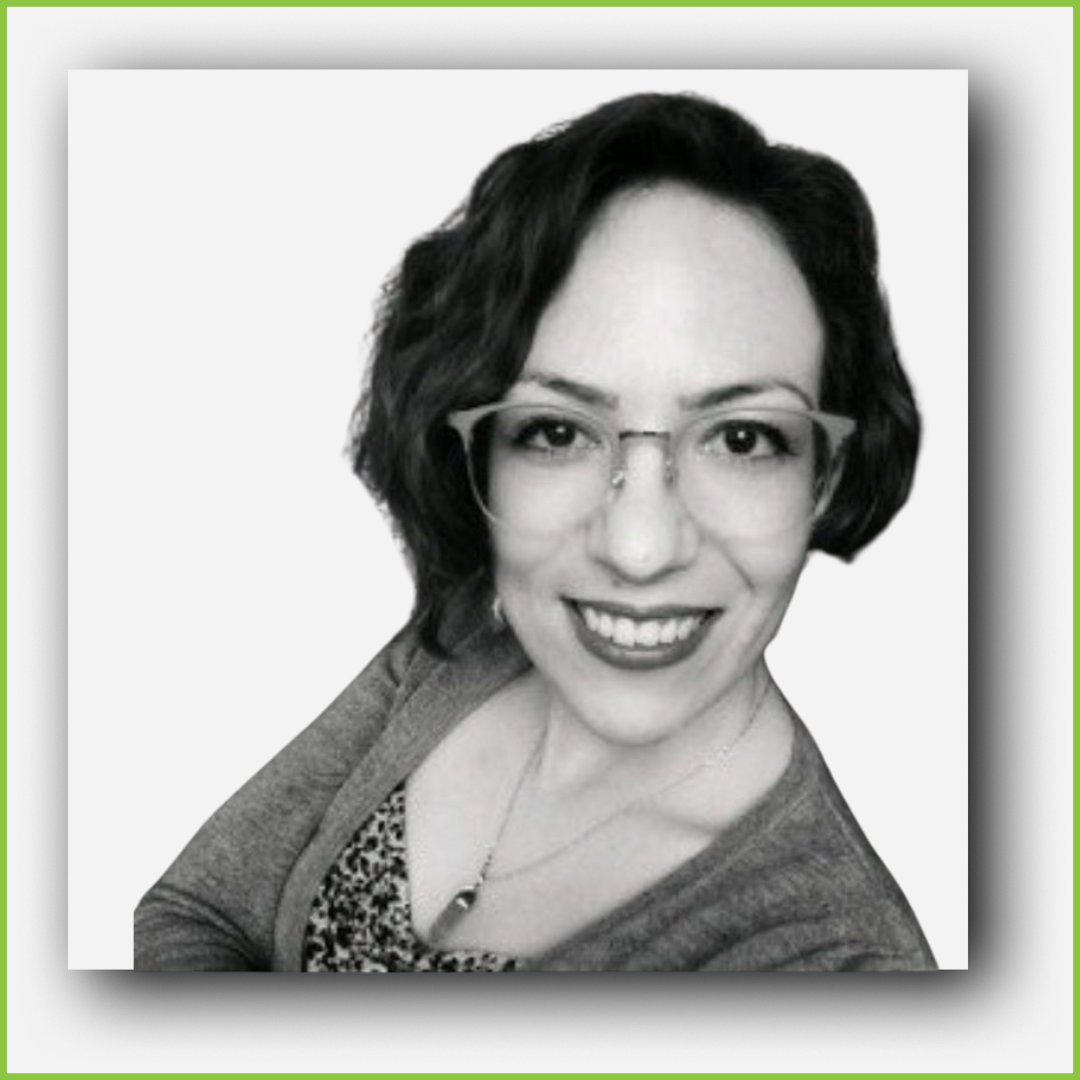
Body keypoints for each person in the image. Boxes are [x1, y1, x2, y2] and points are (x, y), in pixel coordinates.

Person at [135, 92, 936, 972]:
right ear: (475, 454)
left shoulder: (836, 960)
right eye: (556, 431)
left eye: (743, 439)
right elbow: (194, 913)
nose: (638, 548)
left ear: (827, 477)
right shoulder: (450, 654)